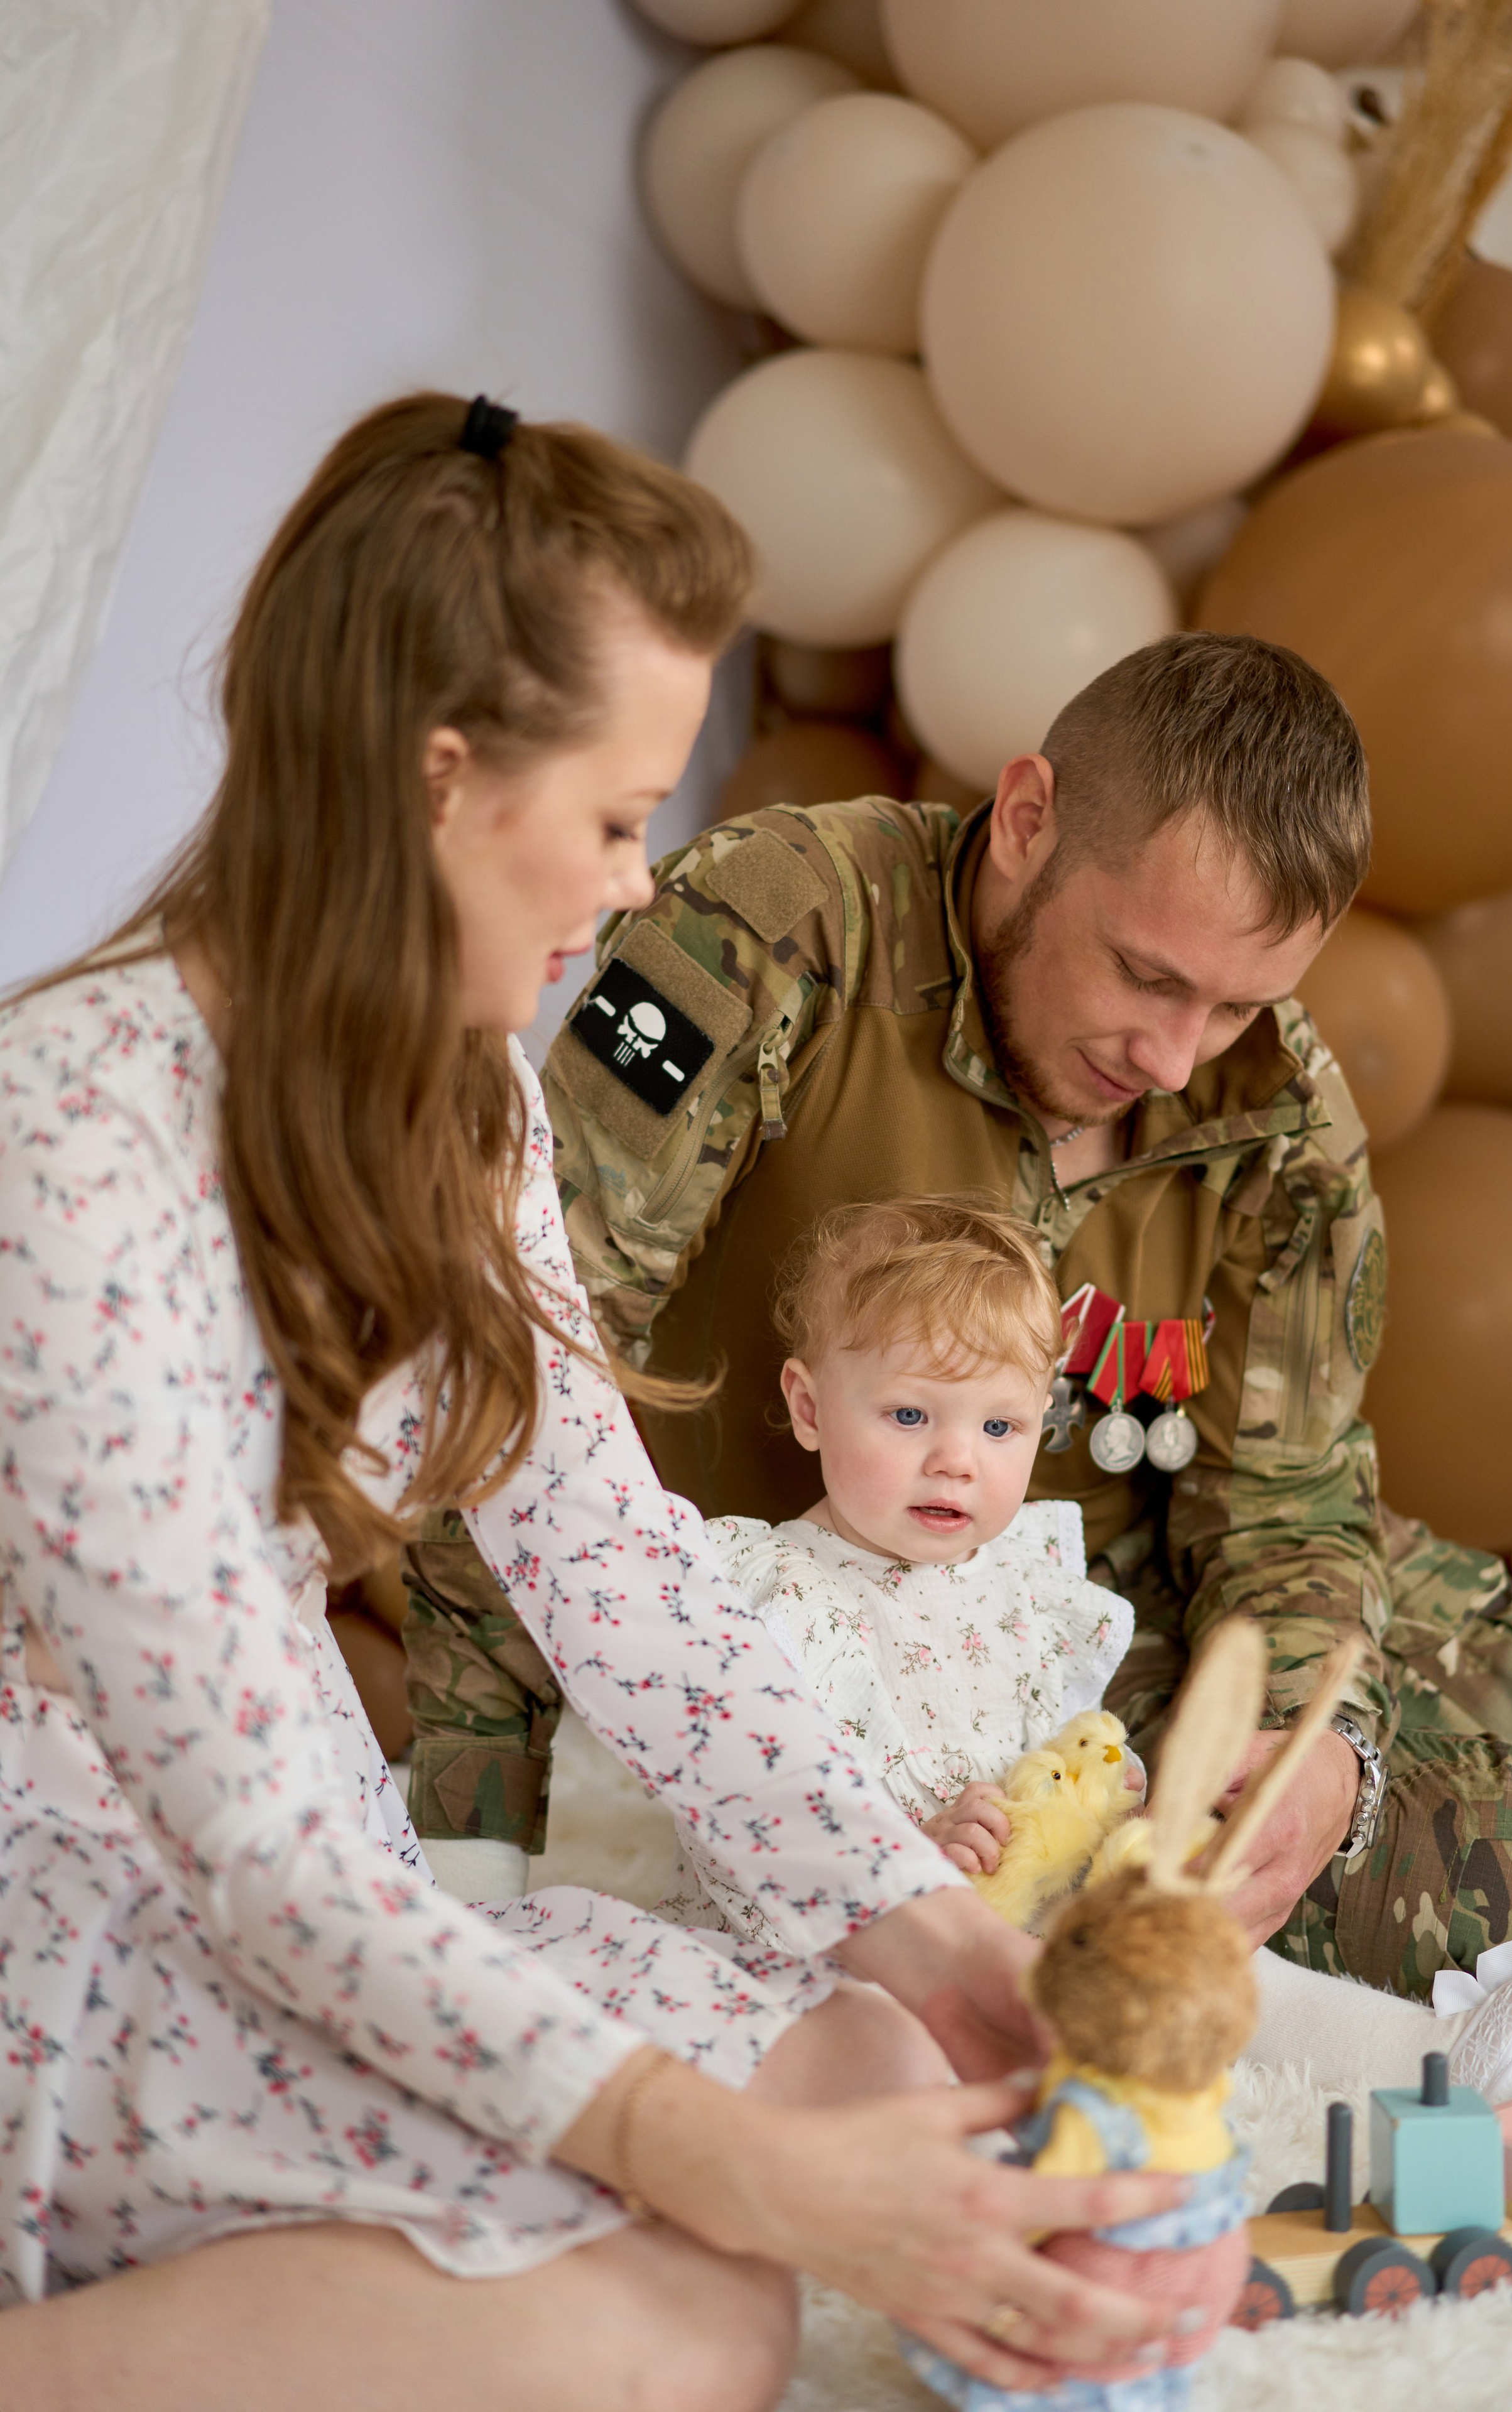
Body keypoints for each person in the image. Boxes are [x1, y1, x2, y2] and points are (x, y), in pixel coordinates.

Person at [0, 397, 1230, 2411]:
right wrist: (709, 2157)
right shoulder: (72, 1125)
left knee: (876, 2055)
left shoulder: (463, 1086)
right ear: (436, 776)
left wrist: (939, 1943)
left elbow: (612, 1563)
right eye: (612, 811)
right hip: (83, 1892)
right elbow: (260, 1850)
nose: (638, 874)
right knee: (679, 2311)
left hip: (307, 1867)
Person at [405, 631, 1512, 2018]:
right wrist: (474, 1846)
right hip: (872, 1654)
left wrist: (1319, 1744)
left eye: (1234, 1004)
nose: (1171, 1057)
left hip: (1135, 1580)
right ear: (1029, 819)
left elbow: (1284, 1504)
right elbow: (515, 1380)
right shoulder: (779, 928)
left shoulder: (1272, 1104)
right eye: (1146, 977)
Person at [654, 1195, 1139, 1943]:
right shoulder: (777, 1597)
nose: (957, 1460)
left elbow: (1049, 1757)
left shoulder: (1025, 1581)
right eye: (910, 1416)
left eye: (999, 1427)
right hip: (837, 1955)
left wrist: (1095, 1794)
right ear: (810, 1409)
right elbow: (742, 1827)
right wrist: (902, 1862)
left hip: (1013, 1939)